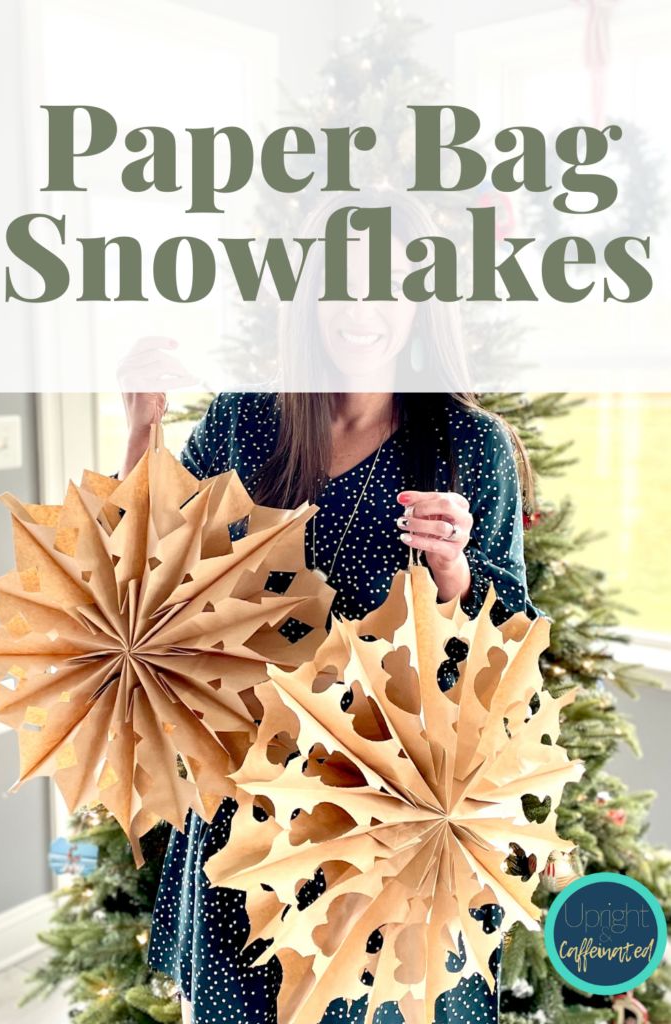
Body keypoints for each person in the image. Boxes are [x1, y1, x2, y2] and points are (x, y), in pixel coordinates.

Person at [117, 192, 538, 1024]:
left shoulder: (468, 446)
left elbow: (511, 642)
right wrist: (140, 430)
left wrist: (451, 568)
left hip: (392, 817)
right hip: (247, 806)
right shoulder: (244, 423)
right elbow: (146, 584)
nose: (361, 307)